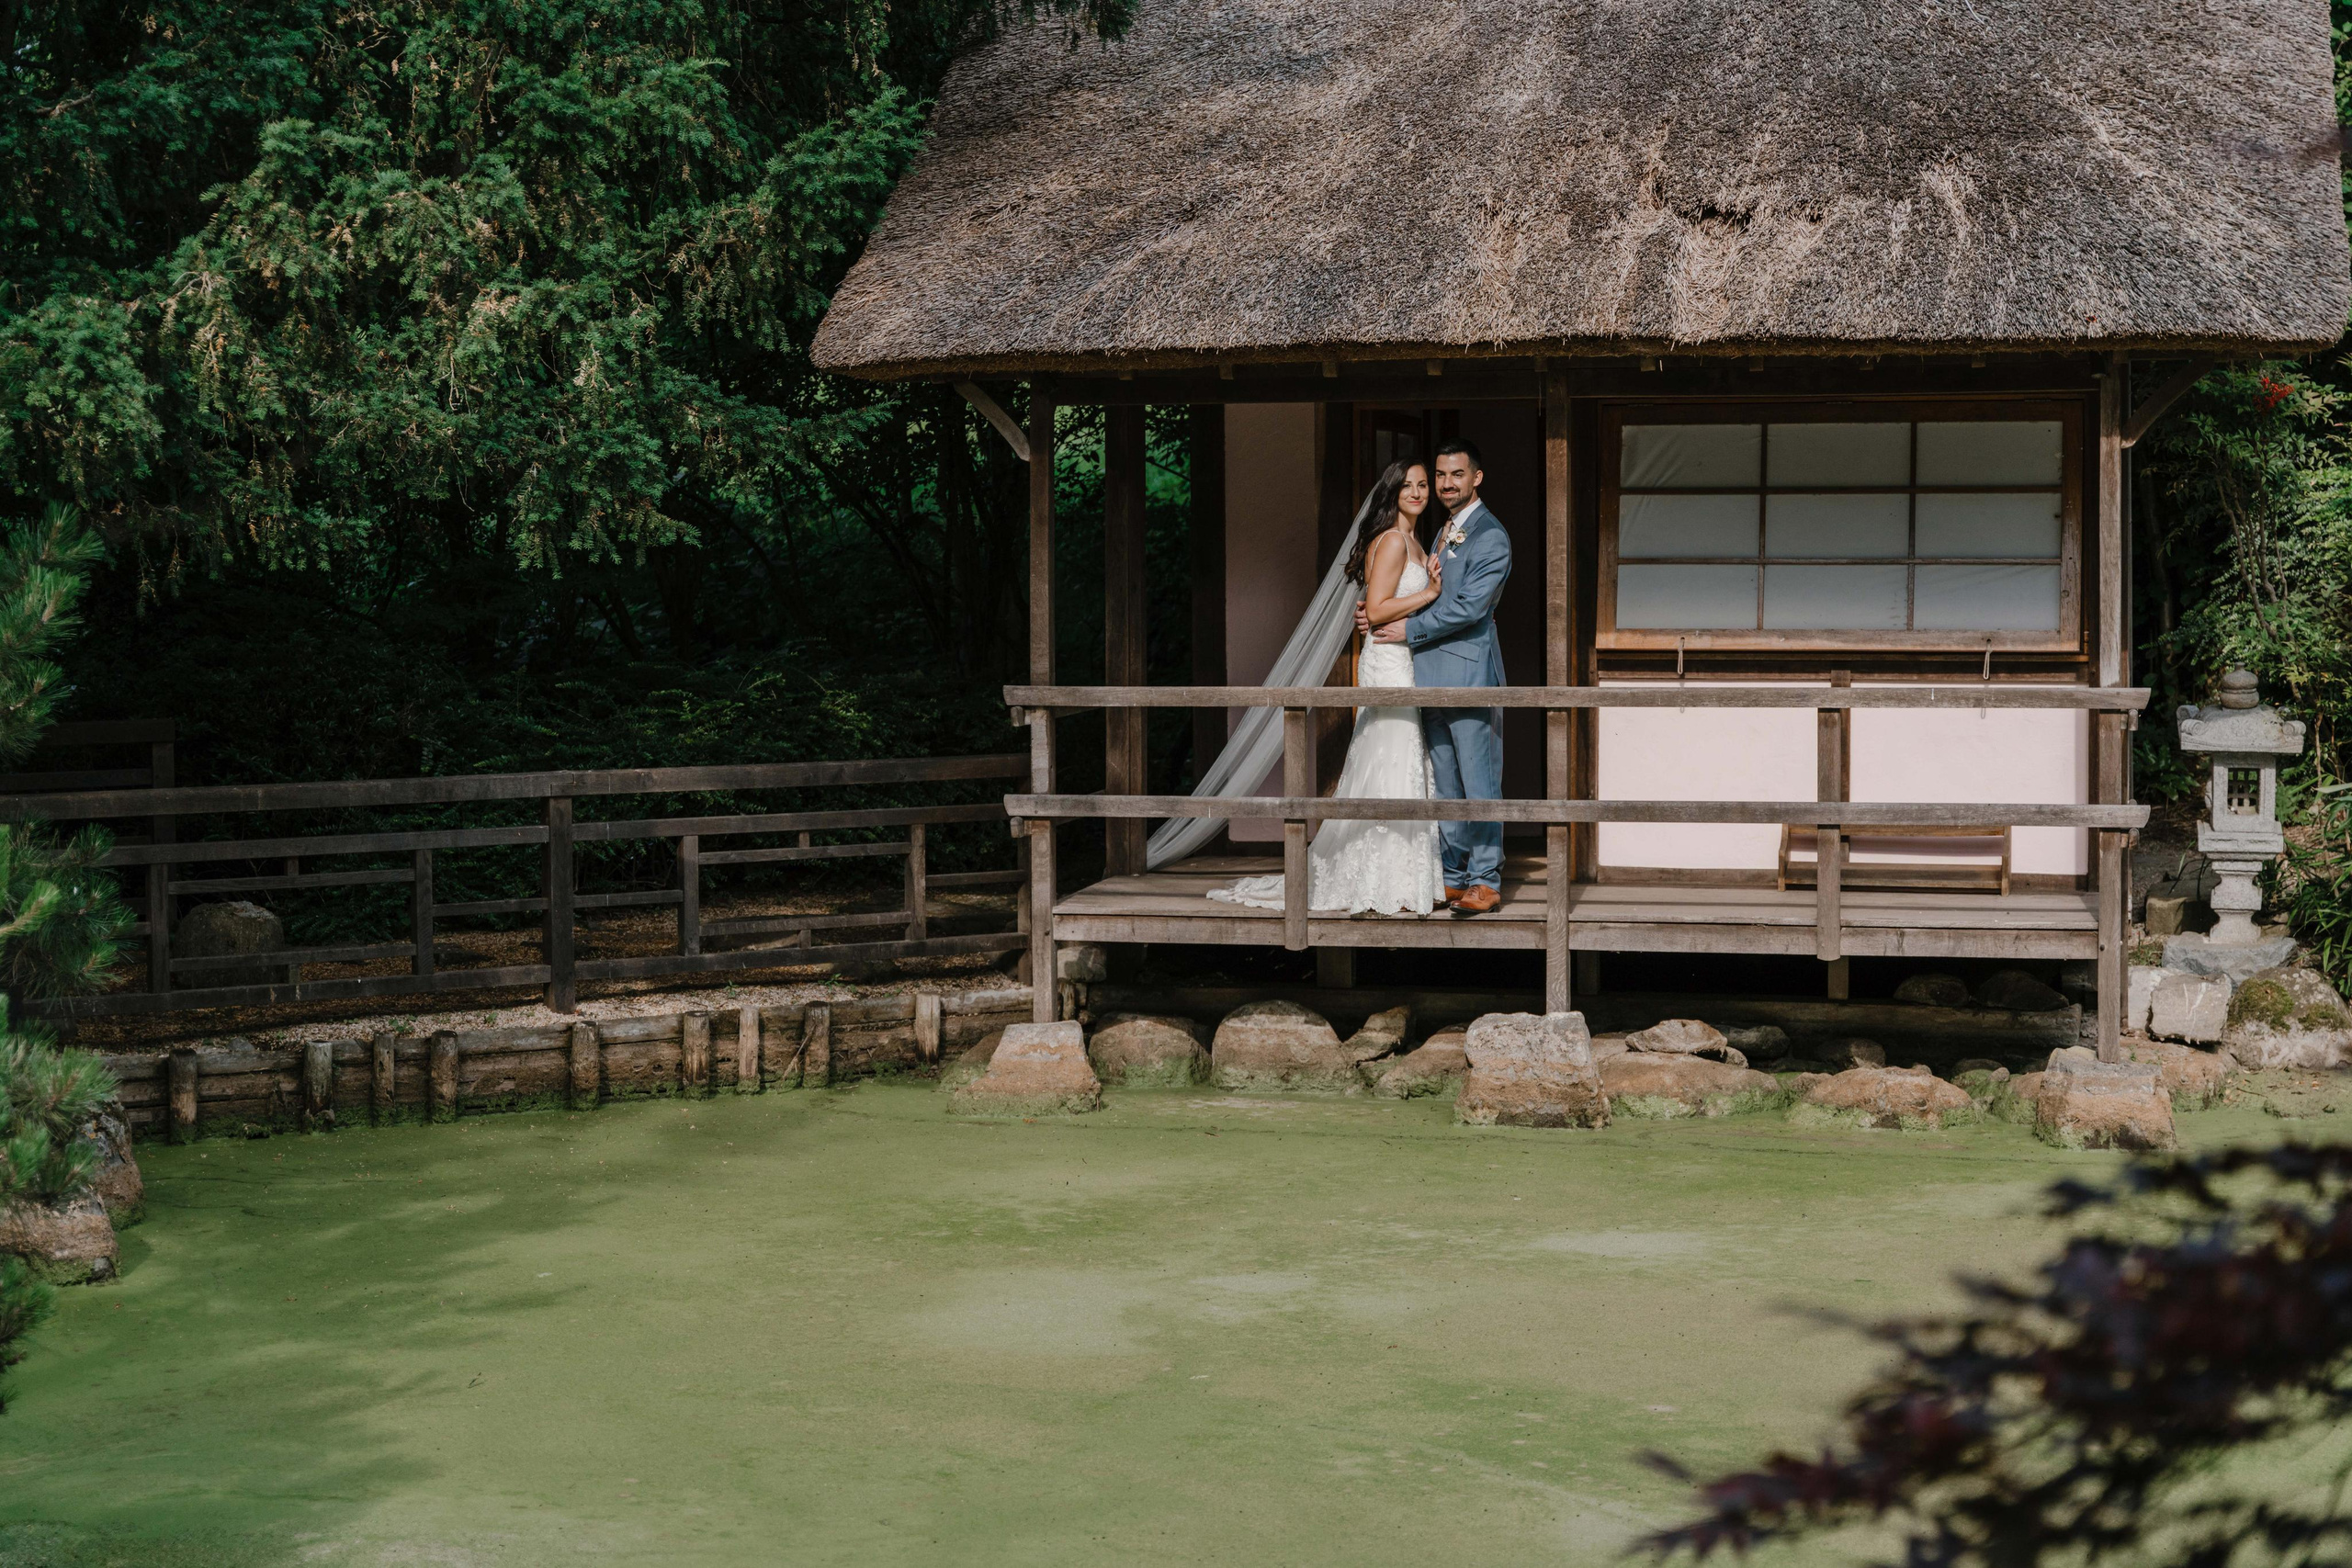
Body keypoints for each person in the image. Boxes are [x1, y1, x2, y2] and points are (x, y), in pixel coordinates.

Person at [1209, 460, 1446, 916]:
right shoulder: (1395, 540)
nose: (1417, 493)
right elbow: (1375, 610)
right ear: (1392, 493)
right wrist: (1429, 595)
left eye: (1422, 486)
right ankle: (1383, 875)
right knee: (1391, 754)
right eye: (1408, 487)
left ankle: (1402, 873)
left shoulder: (1414, 539)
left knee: (1396, 758)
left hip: (1402, 659)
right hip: (1391, 662)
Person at [1359, 440, 1510, 913]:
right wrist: (1375, 613)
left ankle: (1485, 878)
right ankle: (1454, 873)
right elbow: (1423, 589)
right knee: (1445, 780)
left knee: (1478, 778)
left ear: (1476, 478)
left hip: (1467, 672)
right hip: (1424, 673)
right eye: (1440, 476)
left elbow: (1469, 606)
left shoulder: (1490, 536)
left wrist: (1409, 626)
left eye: (1455, 475)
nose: (1445, 484)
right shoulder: (1444, 530)